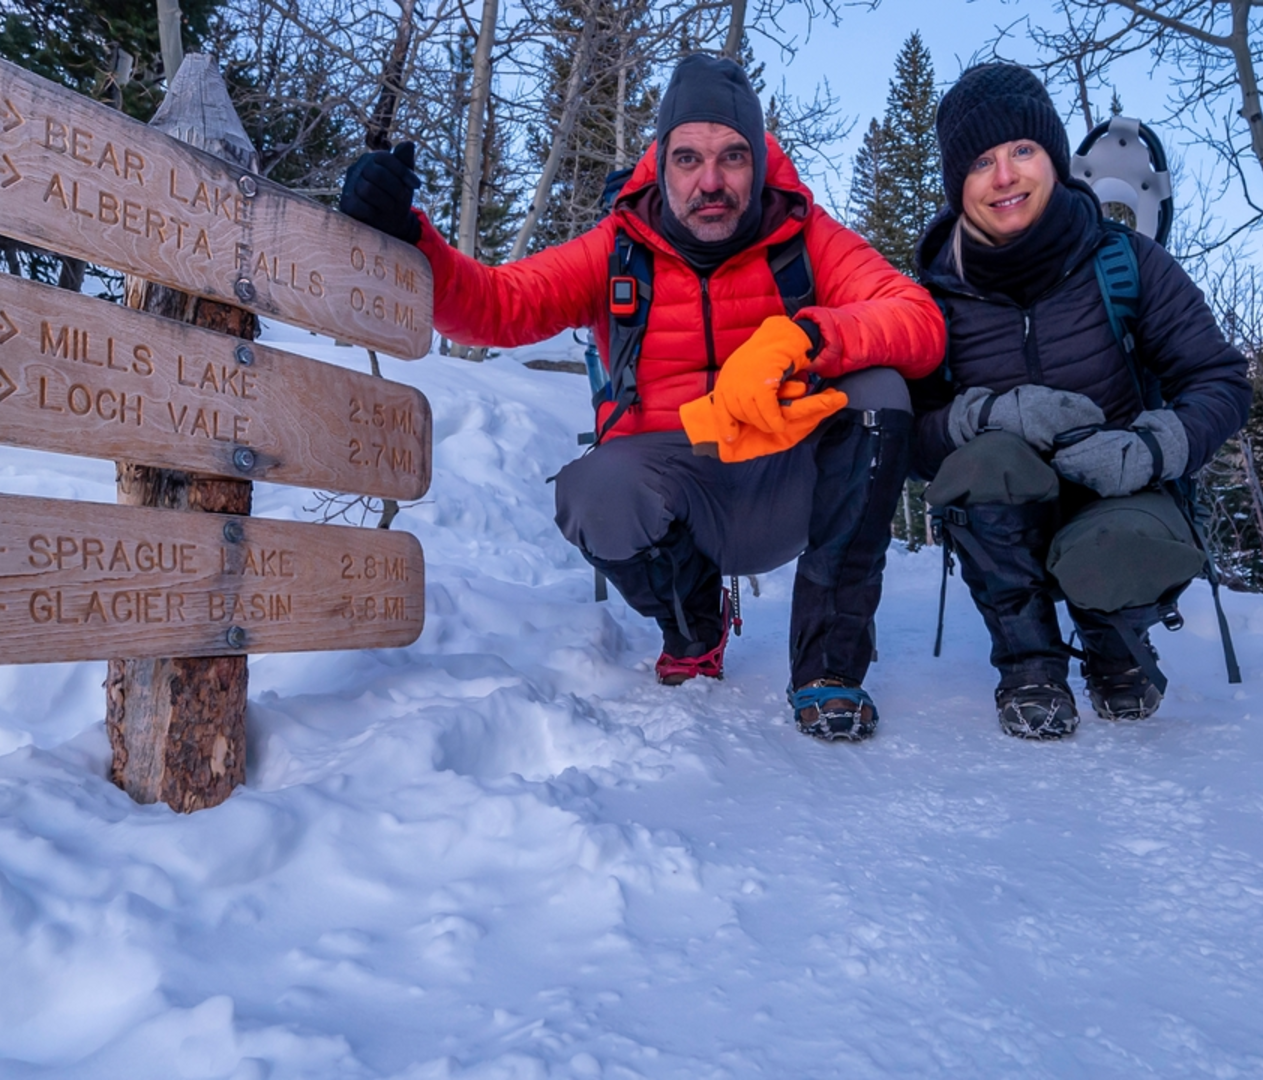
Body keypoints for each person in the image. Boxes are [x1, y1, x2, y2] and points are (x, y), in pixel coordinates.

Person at [338, 55, 946, 741]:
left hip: (789, 481)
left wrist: (806, 339)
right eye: (688, 159)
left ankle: (828, 669)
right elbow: (497, 306)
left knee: (879, 390)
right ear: (659, 163)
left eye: (732, 157)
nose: (709, 182)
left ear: (759, 162)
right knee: (594, 489)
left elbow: (918, 319)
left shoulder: (806, 237)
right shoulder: (619, 248)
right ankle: (693, 631)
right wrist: (410, 236)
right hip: (674, 482)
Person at [907, 64, 1252, 740]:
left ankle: (1114, 642)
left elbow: (1220, 380)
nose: (1004, 176)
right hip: (1006, 506)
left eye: (1022, 151)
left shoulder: (1127, 263)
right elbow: (911, 440)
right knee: (986, 462)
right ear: (958, 185)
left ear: (1054, 160)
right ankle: (1028, 661)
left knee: (1114, 539)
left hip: (1121, 494)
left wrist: (1153, 447)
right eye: (981, 162)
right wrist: (983, 415)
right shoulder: (933, 300)